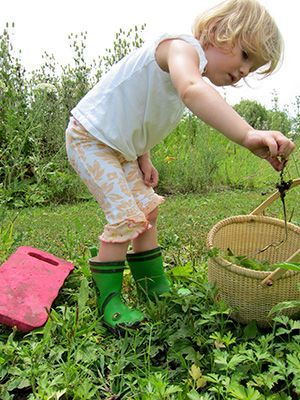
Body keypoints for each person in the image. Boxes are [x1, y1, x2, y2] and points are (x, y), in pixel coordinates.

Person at [65, 0, 295, 330]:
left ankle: (152, 285)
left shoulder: (187, 71)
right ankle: (109, 300)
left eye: (252, 68)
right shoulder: (181, 49)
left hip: (121, 149)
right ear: (217, 31)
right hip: (91, 140)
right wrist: (247, 134)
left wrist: (143, 154)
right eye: (246, 55)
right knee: (126, 217)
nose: (245, 71)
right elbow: (192, 90)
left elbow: (140, 113)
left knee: (148, 210)